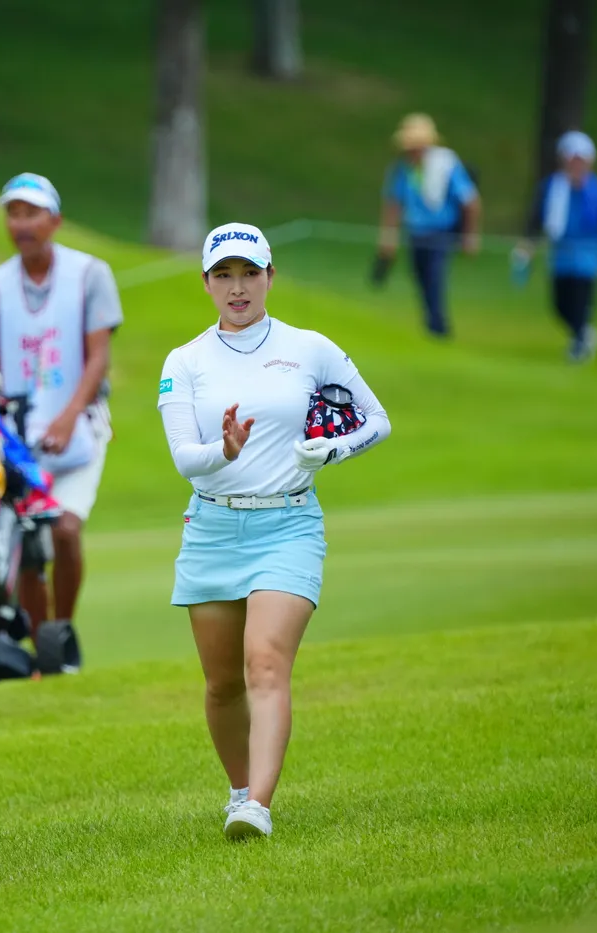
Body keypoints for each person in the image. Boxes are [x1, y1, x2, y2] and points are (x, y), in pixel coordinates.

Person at [158, 222, 391, 840]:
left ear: (270, 277)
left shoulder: (309, 348)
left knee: (264, 663)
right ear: (206, 283)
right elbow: (185, 458)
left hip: (289, 524)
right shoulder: (185, 361)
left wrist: (332, 450)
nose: (237, 287)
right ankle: (239, 790)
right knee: (222, 684)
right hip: (211, 528)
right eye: (224, 275)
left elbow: (376, 420)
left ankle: (256, 806)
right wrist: (225, 450)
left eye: (249, 273)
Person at [0, 173, 124, 666]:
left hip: (81, 426)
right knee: (30, 546)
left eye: (31, 213)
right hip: (17, 442)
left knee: (65, 530)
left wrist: (69, 416)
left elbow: (98, 357)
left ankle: (62, 633)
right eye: (13, 213)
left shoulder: (90, 275)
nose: (21, 223)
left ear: (55, 220)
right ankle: (42, 654)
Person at [512, 131, 597, 363]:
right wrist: (528, 244)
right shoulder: (551, 188)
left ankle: (579, 344)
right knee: (560, 305)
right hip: (561, 257)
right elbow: (536, 218)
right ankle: (583, 334)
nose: (576, 165)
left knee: (581, 303)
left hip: (588, 257)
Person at [374, 113, 482, 338]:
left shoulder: (446, 164)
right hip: (416, 232)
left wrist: (469, 236)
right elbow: (393, 203)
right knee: (420, 277)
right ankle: (431, 323)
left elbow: (470, 201)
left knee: (434, 278)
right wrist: (388, 237)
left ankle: (438, 327)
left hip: (440, 232)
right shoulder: (403, 169)